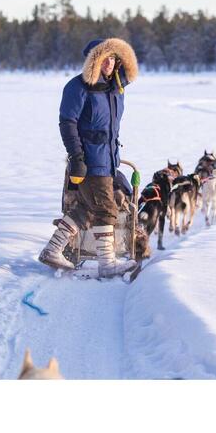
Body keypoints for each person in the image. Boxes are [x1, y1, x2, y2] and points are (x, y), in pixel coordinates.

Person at [38, 37, 139, 277]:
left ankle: (52, 250)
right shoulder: (78, 87)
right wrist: (76, 157)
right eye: (104, 58)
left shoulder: (115, 88)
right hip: (90, 161)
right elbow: (67, 122)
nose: (110, 63)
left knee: (87, 207)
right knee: (106, 209)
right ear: (94, 60)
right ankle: (107, 264)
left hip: (109, 159)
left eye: (114, 58)